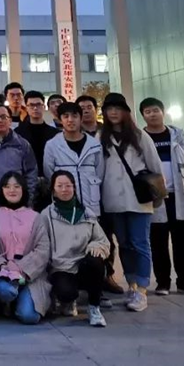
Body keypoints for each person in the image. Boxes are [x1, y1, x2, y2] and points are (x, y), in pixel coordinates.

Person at [100, 92, 164, 313]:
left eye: (117, 108)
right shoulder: (101, 137)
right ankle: (132, 284)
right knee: (124, 244)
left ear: (125, 112)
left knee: (140, 243)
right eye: (109, 109)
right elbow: (99, 170)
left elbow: (155, 167)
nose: (113, 112)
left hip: (138, 199)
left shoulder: (139, 136)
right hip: (113, 200)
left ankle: (142, 289)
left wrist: (158, 194)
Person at [140, 97, 184, 297]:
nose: (152, 114)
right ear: (143, 116)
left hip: (180, 195)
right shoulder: (140, 138)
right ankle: (163, 282)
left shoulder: (178, 136)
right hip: (155, 197)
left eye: (155, 110)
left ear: (163, 112)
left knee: (183, 242)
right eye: (147, 112)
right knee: (158, 243)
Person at [40, 170, 111, 327]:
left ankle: (94, 308)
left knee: (96, 261)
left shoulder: (86, 213)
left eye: (68, 185)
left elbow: (102, 240)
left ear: (74, 188)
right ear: (53, 190)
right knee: (66, 292)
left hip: (83, 264)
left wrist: (95, 246)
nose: (64, 189)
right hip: (61, 267)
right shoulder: (46, 215)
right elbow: (41, 244)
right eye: (60, 186)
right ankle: (68, 300)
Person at [0, 172, 50, 325]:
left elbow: (42, 249)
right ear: (2, 190)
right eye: (7, 186)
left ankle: (19, 302)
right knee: (7, 291)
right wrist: (2, 264)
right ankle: (9, 300)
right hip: (4, 272)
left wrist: (21, 268)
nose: (12, 190)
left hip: (30, 275)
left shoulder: (36, 217)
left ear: (23, 189)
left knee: (30, 317)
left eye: (16, 186)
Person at [75, 93, 122, 295]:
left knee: (107, 236)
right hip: (82, 194)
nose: (86, 111)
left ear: (96, 110)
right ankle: (89, 279)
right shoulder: (74, 134)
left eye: (89, 107)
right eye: (82, 108)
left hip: (107, 191)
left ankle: (107, 275)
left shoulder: (108, 132)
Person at [43, 102, 104, 218]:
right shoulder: (52, 145)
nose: (70, 120)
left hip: (91, 204)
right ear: (60, 120)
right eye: (66, 116)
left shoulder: (94, 145)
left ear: (81, 119)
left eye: (74, 116)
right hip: (64, 205)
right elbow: (49, 174)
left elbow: (100, 173)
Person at [15, 90, 60, 175]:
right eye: (31, 105)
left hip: (51, 176)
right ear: (26, 108)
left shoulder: (55, 133)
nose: (35, 108)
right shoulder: (18, 133)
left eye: (38, 104)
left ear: (44, 107)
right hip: (26, 177)